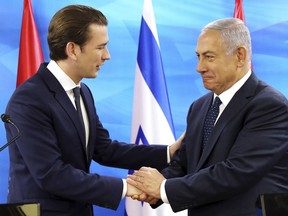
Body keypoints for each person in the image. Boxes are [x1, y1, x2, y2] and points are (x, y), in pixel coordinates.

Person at [3, 5, 183, 216]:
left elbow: (105, 150)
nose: (107, 56)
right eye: (100, 47)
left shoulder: (83, 91)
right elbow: (51, 175)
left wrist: (169, 152)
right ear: (73, 50)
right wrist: (126, 187)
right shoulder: (29, 99)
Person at [127, 17, 288, 216]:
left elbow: (236, 172)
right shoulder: (200, 106)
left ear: (239, 55)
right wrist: (149, 188)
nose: (199, 67)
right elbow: (184, 165)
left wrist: (162, 188)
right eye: (198, 56)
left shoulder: (269, 105)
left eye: (209, 57)